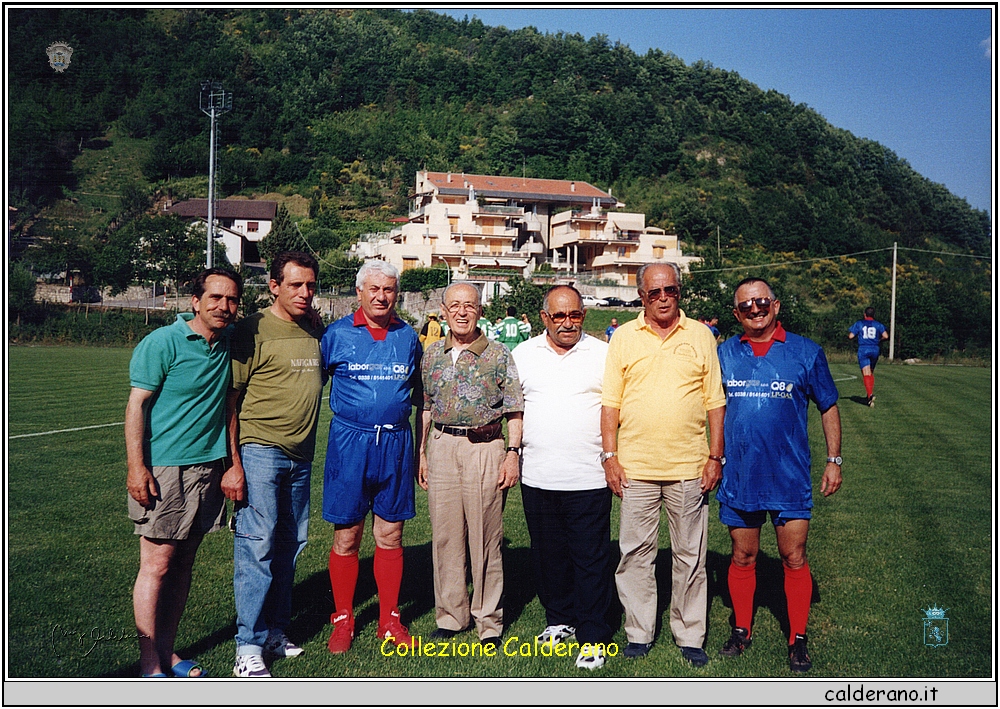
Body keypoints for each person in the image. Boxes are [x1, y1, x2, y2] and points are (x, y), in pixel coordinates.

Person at [601, 262, 725, 667]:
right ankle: (639, 632)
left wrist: (714, 456)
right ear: (642, 296)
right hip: (635, 465)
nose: (663, 298)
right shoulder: (623, 337)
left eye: (669, 290)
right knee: (635, 553)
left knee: (690, 555)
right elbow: (610, 403)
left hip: (689, 465)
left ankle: (690, 634)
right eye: (654, 292)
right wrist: (610, 456)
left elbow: (715, 402)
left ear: (679, 292)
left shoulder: (701, 335)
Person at [716, 277, 842, 673]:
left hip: (788, 476)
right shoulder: (723, 354)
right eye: (746, 305)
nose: (755, 309)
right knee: (743, 555)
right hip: (739, 474)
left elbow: (828, 405)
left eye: (761, 302)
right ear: (736, 313)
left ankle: (798, 639)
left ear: (776, 305)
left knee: (793, 556)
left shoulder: (805, 351)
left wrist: (833, 460)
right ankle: (741, 630)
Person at [126, 268, 242, 678]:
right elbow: (136, 406)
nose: (223, 306)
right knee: (156, 564)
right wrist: (137, 469)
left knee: (183, 564)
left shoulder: (229, 342)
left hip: (208, 470)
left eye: (231, 300)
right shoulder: (163, 342)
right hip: (164, 470)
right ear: (195, 300)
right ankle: (148, 664)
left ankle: (168, 652)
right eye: (214, 297)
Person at [223, 251, 325, 678]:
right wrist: (233, 463)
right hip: (260, 451)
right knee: (257, 545)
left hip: (301, 456)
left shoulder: (315, 329)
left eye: (310, 286)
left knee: (291, 544)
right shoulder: (252, 330)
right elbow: (230, 400)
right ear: (274, 286)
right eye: (296, 285)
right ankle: (247, 645)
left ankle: (275, 632)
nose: (304, 293)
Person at [321, 261, 422, 654]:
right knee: (348, 534)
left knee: (391, 533)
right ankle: (343, 618)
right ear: (359, 292)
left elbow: (415, 393)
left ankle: (388, 620)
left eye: (390, 290)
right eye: (375, 289)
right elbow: (315, 378)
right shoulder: (337, 334)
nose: (382, 297)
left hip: (395, 444)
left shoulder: (408, 336)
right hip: (350, 443)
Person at [418, 282, 524, 649]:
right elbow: (427, 407)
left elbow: (514, 409)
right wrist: (421, 452)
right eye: (455, 306)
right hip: (442, 447)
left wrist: (513, 453)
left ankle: (488, 621)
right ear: (443, 311)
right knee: (446, 537)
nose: (462, 312)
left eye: (470, 305)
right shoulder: (431, 355)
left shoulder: (497, 355)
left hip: (485, 448)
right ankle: (451, 616)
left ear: (480, 311)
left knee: (485, 537)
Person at [512, 285, 612, 670]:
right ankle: (559, 620)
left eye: (575, 315)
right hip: (537, 474)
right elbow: (513, 408)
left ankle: (592, 635)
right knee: (548, 555)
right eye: (559, 316)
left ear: (583, 315)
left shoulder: (603, 354)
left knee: (590, 558)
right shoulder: (524, 354)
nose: (568, 323)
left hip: (589, 475)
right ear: (544, 318)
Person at [848, 306, 888, 407]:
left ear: (864, 314)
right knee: (870, 372)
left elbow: (850, 336)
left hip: (864, 349)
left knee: (866, 374)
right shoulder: (878, 324)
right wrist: (878, 340)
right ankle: (869, 394)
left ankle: (869, 396)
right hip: (875, 349)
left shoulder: (860, 323)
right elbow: (886, 336)